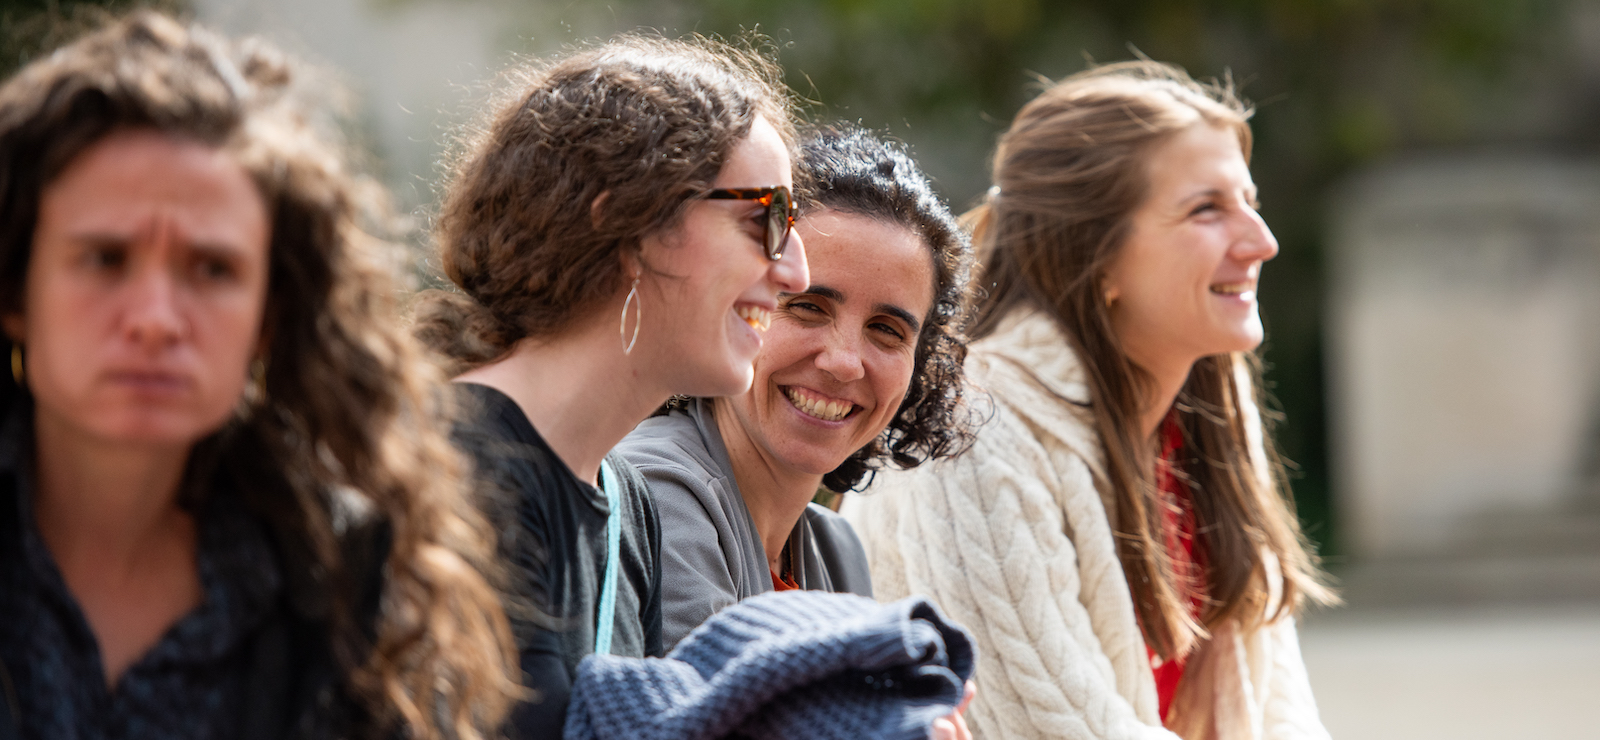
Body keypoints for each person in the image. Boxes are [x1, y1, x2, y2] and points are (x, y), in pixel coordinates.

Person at [0, 12, 515, 740]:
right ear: (16, 291)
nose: (155, 318)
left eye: (212, 269)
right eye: (105, 259)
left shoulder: (344, 582)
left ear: (269, 316)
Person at [842, 61, 1338, 740]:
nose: (1261, 241)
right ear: (1096, 255)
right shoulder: (978, 430)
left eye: (1248, 202)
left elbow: (1275, 707)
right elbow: (1048, 729)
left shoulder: (1207, 405)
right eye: (1207, 209)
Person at [413, 34, 808, 737]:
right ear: (626, 222)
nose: (796, 270)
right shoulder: (453, 469)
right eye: (763, 220)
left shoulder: (629, 502)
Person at [616, 124, 973, 649]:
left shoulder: (835, 550)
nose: (844, 361)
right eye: (806, 307)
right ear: (737, 304)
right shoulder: (658, 491)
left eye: (887, 330)